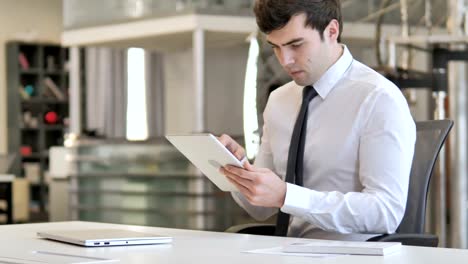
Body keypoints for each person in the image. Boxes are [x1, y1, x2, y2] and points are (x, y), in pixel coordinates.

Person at [219, 0, 416, 241]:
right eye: (276, 47)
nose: (285, 60)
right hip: (288, 252)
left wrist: (287, 196)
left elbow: (385, 212)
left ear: (332, 31)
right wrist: (238, 170)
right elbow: (260, 210)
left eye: (296, 45)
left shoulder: (378, 99)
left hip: (353, 256)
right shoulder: (279, 101)